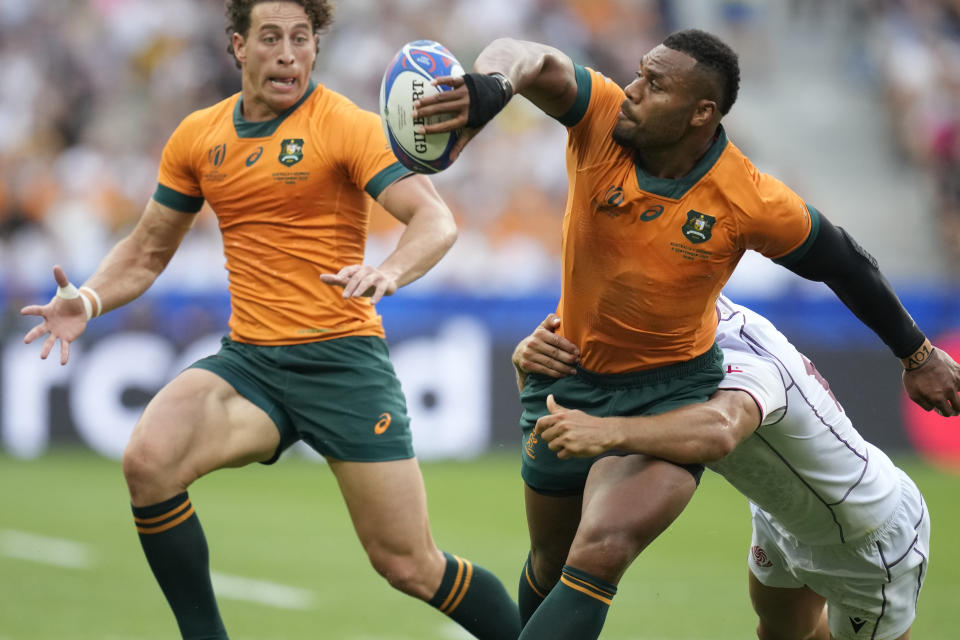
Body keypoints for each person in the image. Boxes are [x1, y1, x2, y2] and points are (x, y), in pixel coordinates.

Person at [412, 28, 960, 639]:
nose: (633, 91)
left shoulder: (746, 196)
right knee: (550, 558)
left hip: (669, 392)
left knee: (602, 549)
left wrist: (917, 353)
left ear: (701, 112)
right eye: (639, 73)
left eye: (655, 84)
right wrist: (492, 86)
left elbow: (842, 261)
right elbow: (530, 55)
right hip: (568, 375)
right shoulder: (600, 117)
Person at [20, 2, 521, 639]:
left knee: (407, 564)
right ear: (237, 46)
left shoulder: (345, 125)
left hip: (342, 361)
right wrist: (86, 300)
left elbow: (435, 220)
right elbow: (147, 250)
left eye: (301, 39)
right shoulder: (198, 137)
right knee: (148, 460)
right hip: (252, 363)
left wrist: (391, 269)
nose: (288, 53)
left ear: (316, 48)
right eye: (271, 38)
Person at [527, 295, 932, 640]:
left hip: (866, 534)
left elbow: (719, 431)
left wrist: (608, 432)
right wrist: (526, 359)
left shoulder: (748, 358)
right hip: (781, 518)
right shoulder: (663, 336)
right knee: (778, 633)